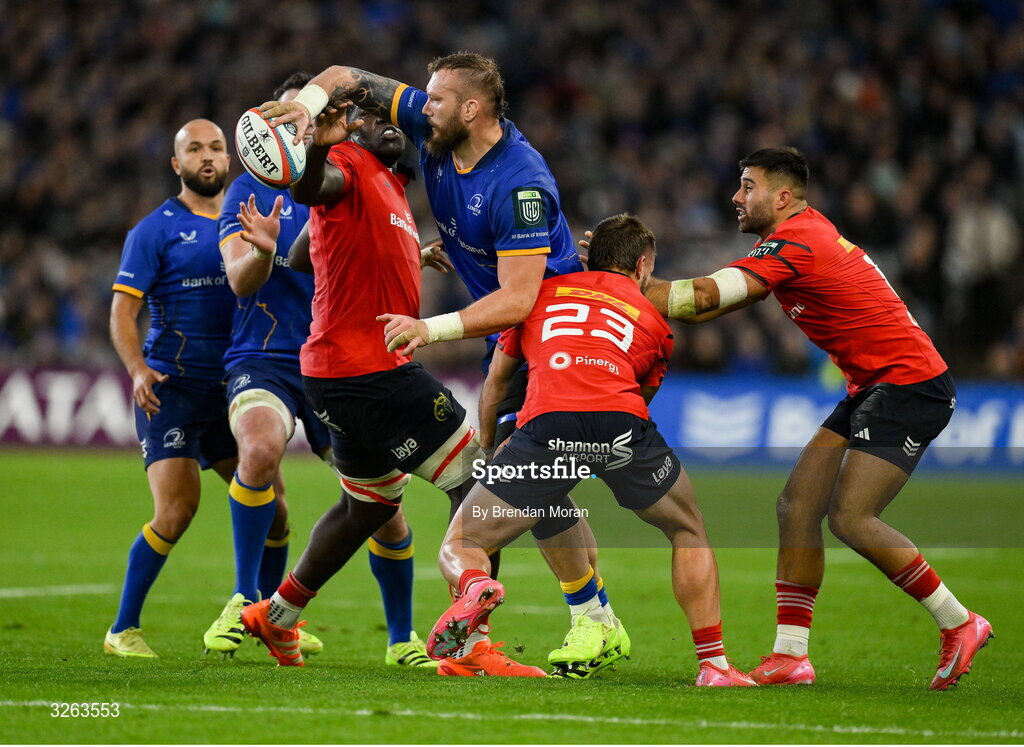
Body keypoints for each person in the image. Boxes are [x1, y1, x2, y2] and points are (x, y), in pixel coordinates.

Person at [262, 52, 628, 676]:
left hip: (556, 340)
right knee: (525, 482)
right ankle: (590, 620)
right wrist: (304, 109)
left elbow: (519, 297)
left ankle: (567, 623)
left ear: (471, 110)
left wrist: (428, 328)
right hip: (474, 351)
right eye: (422, 99)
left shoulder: (522, 184)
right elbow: (346, 76)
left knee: (513, 483)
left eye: (433, 102)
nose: (417, 110)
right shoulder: (426, 139)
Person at [645, 147, 992, 690]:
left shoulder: (797, 241)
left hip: (909, 384)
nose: (736, 198)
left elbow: (707, 298)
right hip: (874, 385)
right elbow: (711, 301)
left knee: (851, 517)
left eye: (747, 186)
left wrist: (626, 282)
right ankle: (791, 655)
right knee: (795, 506)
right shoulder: (797, 235)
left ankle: (960, 621)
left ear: (781, 197)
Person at [237, 98, 543, 676]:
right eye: (378, 119)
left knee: (366, 506)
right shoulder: (348, 162)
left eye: (395, 121)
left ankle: (276, 616)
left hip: (333, 376)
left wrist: (406, 252)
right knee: (478, 481)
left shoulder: (387, 187)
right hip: (371, 368)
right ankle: (471, 640)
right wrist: (320, 148)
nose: (392, 128)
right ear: (351, 125)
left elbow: (305, 252)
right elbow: (313, 189)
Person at [432, 214, 755, 685]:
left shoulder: (539, 295)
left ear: (591, 256)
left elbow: (498, 380)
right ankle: (714, 665)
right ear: (643, 264)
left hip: (546, 426)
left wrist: (489, 449)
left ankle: (477, 585)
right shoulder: (653, 318)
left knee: (464, 543)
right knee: (688, 528)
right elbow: (641, 398)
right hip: (621, 425)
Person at [205, 73, 431, 668]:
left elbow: (320, 249)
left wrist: (406, 251)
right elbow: (239, 280)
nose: (352, 117)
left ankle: (401, 638)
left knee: (383, 508)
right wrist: (263, 249)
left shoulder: (352, 175)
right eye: (338, 110)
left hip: (340, 362)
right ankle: (244, 597)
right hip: (269, 357)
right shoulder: (254, 187)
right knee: (258, 454)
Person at [104, 119, 237, 657]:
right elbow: (122, 311)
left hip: (232, 387)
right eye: (194, 150)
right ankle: (122, 629)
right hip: (172, 388)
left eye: (216, 148)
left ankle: (271, 617)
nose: (207, 157)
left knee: (272, 508)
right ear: (176, 164)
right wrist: (137, 369)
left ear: (229, 158)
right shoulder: (153, 230)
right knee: (178, 511)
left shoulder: (246, 220)